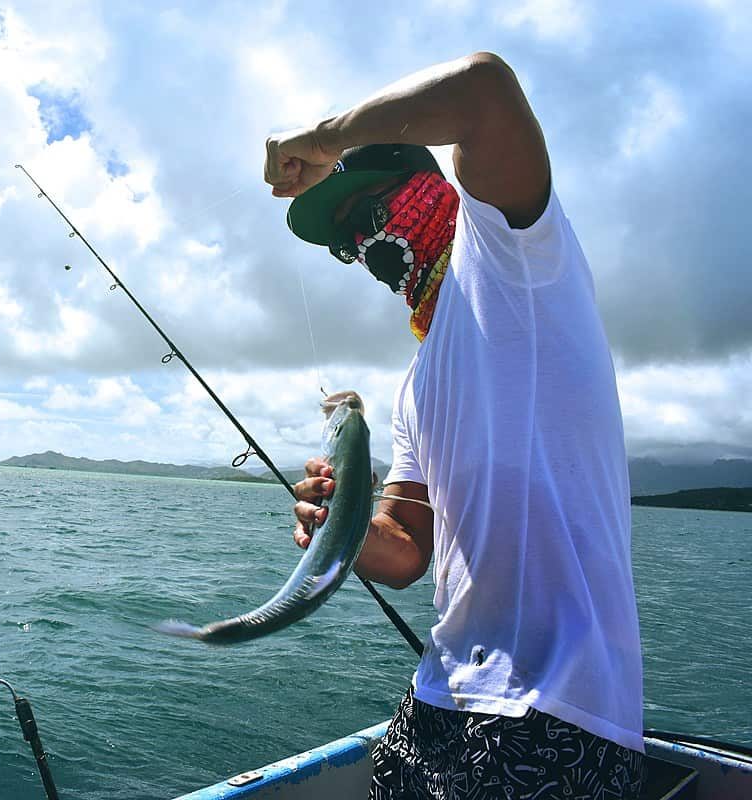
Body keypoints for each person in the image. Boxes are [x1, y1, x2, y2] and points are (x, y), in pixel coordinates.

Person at [264, 52, 645, 799]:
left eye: (368, 214)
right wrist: (340, 521)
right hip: (438, 699)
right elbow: (405, 553)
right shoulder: (415, 384)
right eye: (348, 243)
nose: (363, 250)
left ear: (431, 189)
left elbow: (482, 91)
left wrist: (324, 137)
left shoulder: (514, 255)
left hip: (557, 712)